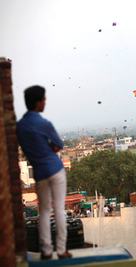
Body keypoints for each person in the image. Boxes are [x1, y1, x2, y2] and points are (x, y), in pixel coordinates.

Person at [16, 85, 72, 259]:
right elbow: (59, 145)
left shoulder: (20, 127)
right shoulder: (44, 123)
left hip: (39, 173)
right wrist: (48, 146)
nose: (45, 103)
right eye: (44, 100)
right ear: (38, 102)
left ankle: (47, 251)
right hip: (55, 169)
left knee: (45, 211)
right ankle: (61, 249)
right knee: (59, 209)